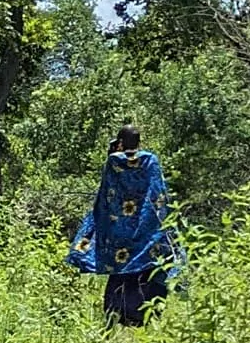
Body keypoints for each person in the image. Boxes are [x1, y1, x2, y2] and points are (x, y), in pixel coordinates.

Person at [70, 125, 178, 327]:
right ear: (139, 142)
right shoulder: (151, 161)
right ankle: (145, 321)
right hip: (145, 232)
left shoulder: (113, 162)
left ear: (119, 142)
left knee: (120, 275)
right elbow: (159, 196)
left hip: (119, 234)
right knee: (146, 273)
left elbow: (105, 198)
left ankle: (114, 318)